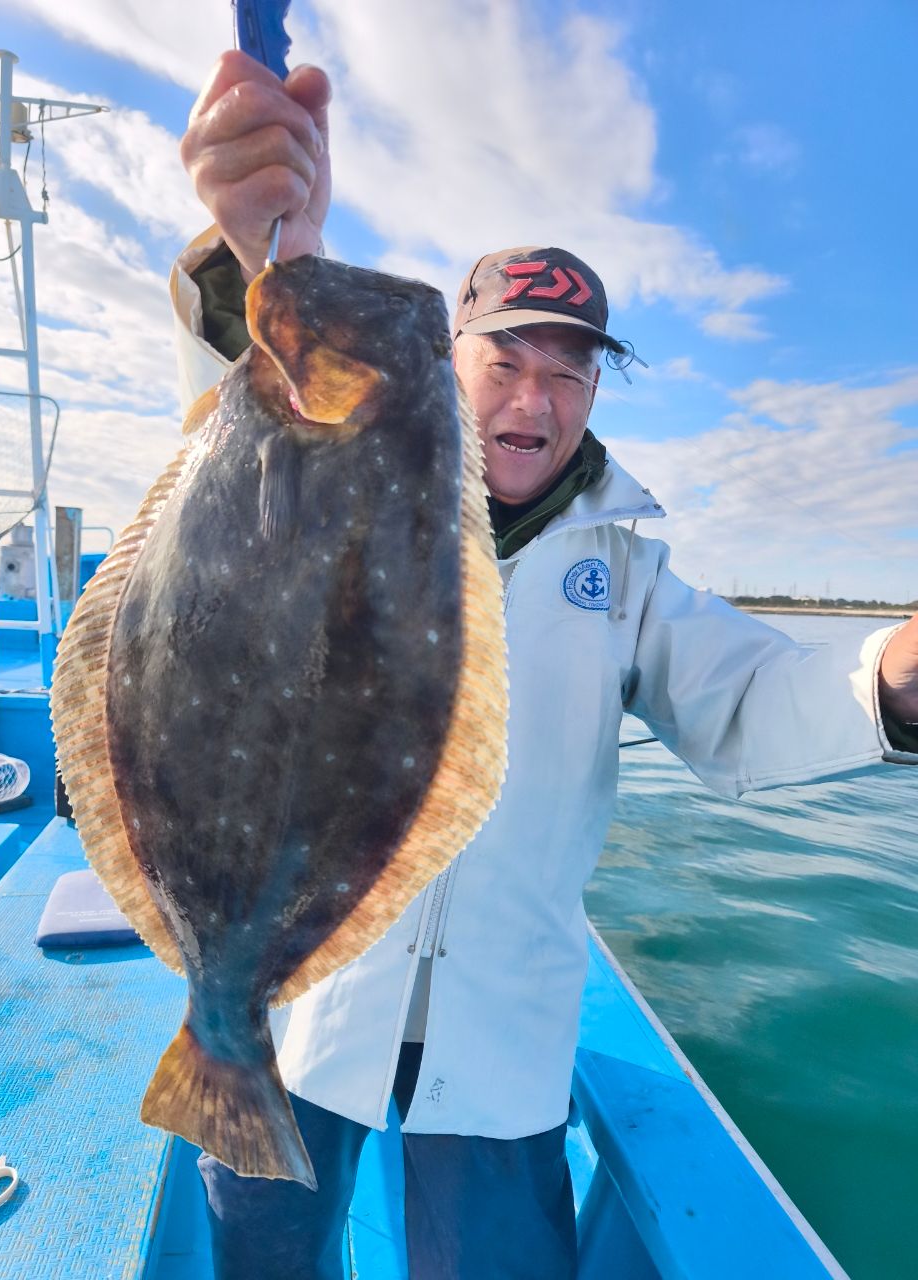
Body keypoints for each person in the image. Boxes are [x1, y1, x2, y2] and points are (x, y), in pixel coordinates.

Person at [171, 52, 918, 1280]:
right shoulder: (347, 480)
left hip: (503, 1054)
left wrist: (894, 670)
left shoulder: (622, 575)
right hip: (300, 1007)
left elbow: (754, 703)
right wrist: (246, 258)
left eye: (571, 366)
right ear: (454, 364)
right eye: (509, 357)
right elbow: (229, 449)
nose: (538, 393)